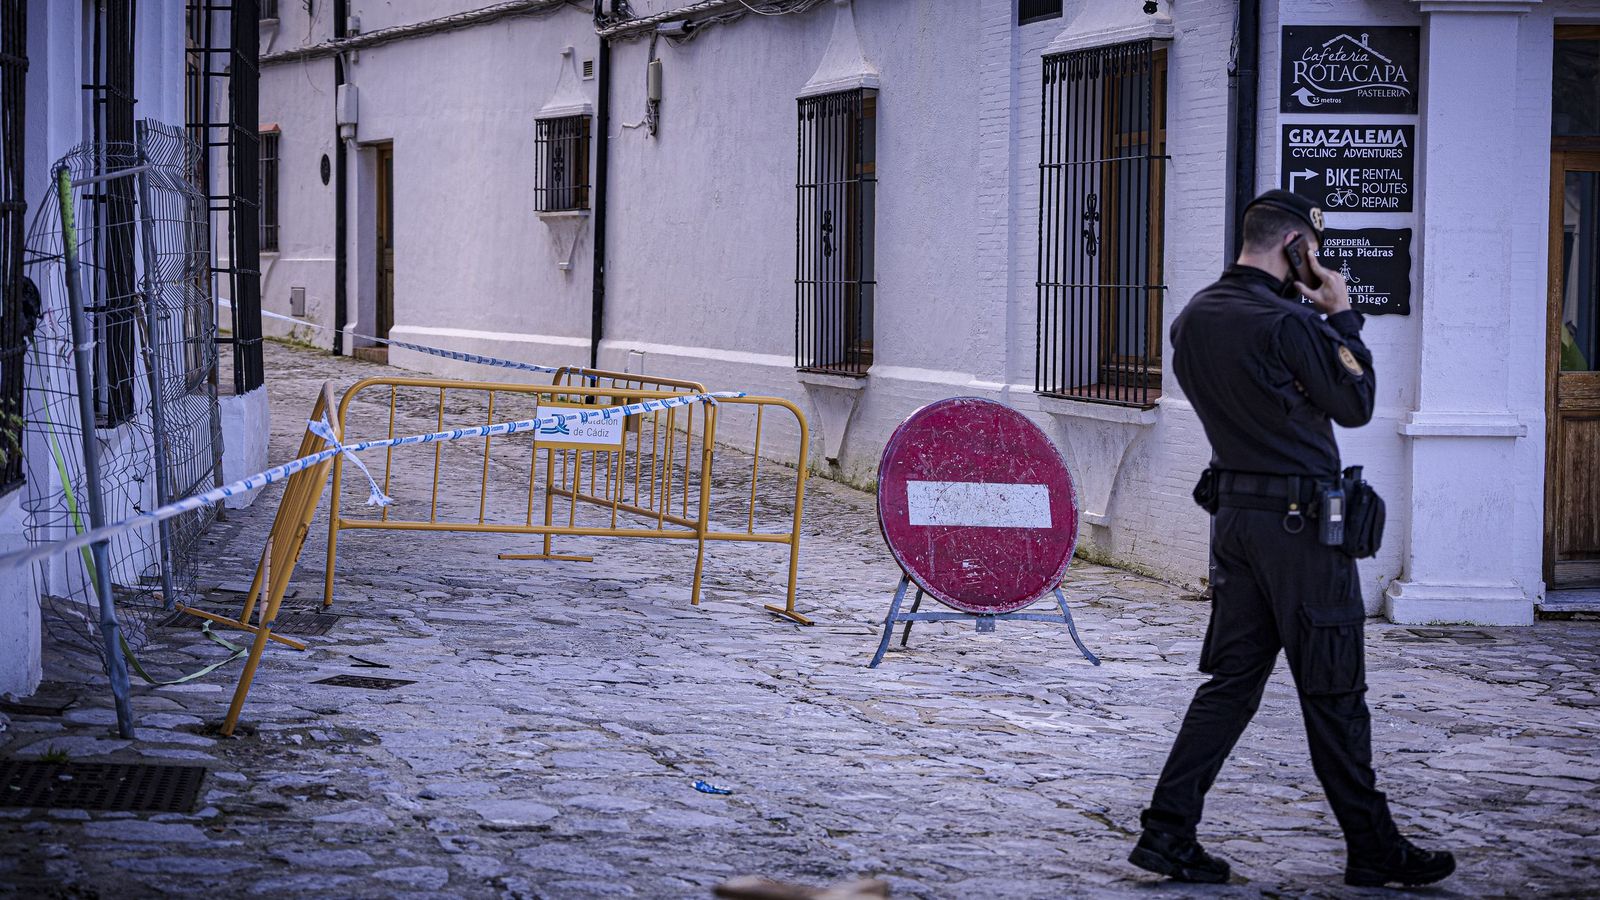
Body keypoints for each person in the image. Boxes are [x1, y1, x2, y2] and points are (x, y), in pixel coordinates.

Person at [1127, 190, 1455, 888]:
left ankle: (1167, 831)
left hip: (1237, 525)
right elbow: (1356, 404)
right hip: (1301, 531)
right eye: (1315, 250)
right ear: (1296, 248)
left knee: (1231, 683)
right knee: (1334, 688)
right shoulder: (1288, 322)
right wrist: (1343, 315)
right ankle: (1374, 849)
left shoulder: (1195, 318)